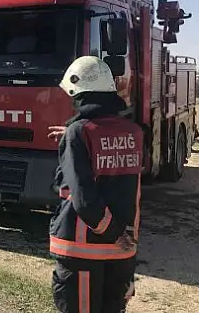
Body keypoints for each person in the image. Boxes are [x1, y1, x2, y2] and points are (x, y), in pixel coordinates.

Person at [47, 56, 142, 313]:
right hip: (122, 253)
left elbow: (84, 199)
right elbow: (110, 152)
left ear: (79, 93)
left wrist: (112, 231)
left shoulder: (79, 133)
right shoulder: (134, 132)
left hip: (83, 251)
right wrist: (121, 236)